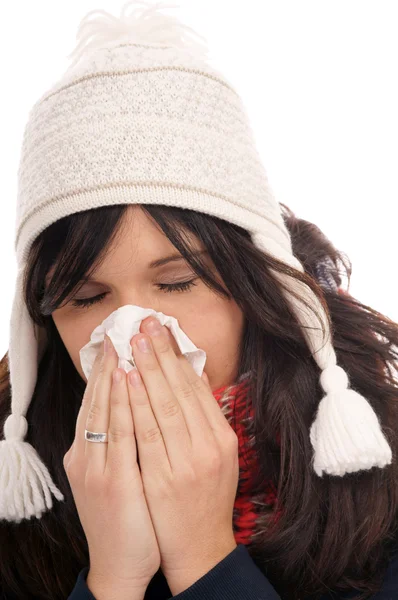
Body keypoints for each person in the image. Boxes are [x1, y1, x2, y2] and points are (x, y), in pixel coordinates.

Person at [0, 2, 397, 599]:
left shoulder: (379, 473)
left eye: (177, 282)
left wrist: (204, 558)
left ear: (257, 287)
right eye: (85, 296)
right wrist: (113, 578)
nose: (132, 332)